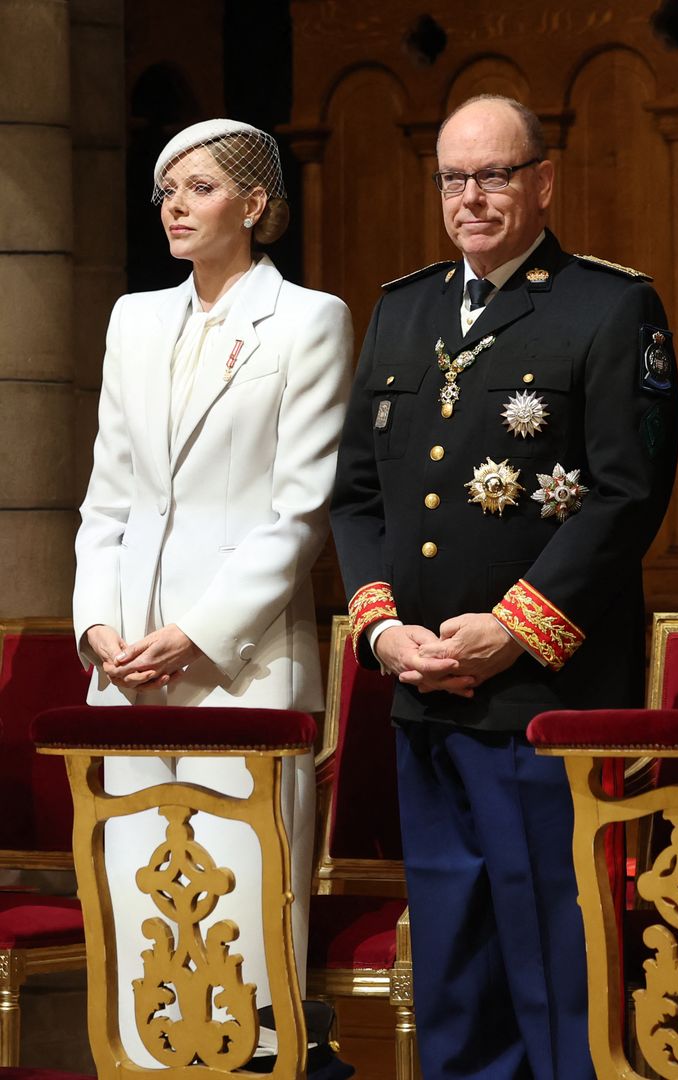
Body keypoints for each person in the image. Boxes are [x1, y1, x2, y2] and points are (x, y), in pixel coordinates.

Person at [330, 94, 678, 1079]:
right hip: (424, 695)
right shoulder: (405, 310)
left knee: (556, 970)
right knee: (455, 973)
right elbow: (357, 496)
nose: (472, 197)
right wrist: (382, 631)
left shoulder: (610, 307)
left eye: (494, 175)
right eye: (454, 177)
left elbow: (627, 492)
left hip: (544, 702)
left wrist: (514, 631)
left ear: (543, 181)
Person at [72, 119, 352, 1067]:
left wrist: (194, 632)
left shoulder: (309, 319)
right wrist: (100, 626)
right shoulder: (133, 319)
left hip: (240, 672)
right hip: (130, 677)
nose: (175, 208)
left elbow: (301, 510)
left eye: (197, 188)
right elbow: (107, 498)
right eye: (165, 193)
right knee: (144, 917)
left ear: (256, 204)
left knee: (240, 921)